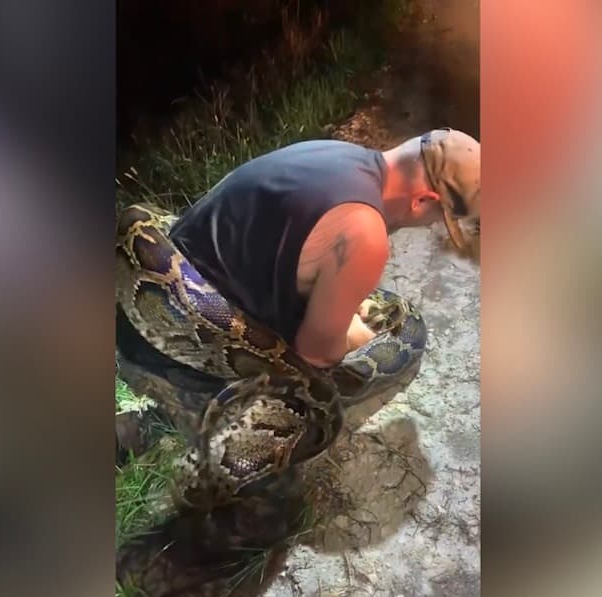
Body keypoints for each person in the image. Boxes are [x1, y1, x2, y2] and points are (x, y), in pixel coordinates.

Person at [116, 128, 481, 431]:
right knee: (299, 425)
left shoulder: (334, 153)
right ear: (422, 201)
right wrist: (356, 336)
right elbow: (317, 355)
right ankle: (159, 417)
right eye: (437, 218)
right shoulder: (364, 234)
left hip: (155, 280)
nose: (430, 226)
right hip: (164, 346)